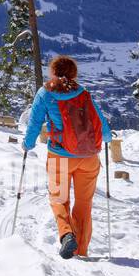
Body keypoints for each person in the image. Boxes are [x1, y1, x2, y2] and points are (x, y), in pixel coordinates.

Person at [22, 55, 112, 260]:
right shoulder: (83, 93)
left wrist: (27, 144)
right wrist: (106, 139)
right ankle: (80, 250)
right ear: (73, 74)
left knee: (59, 198)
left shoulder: (45, 94)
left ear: (53, 72)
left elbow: (35, 123)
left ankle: (66, 234)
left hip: (60, 157)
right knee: (84, 203)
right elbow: (102, 126)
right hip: (88, 158)